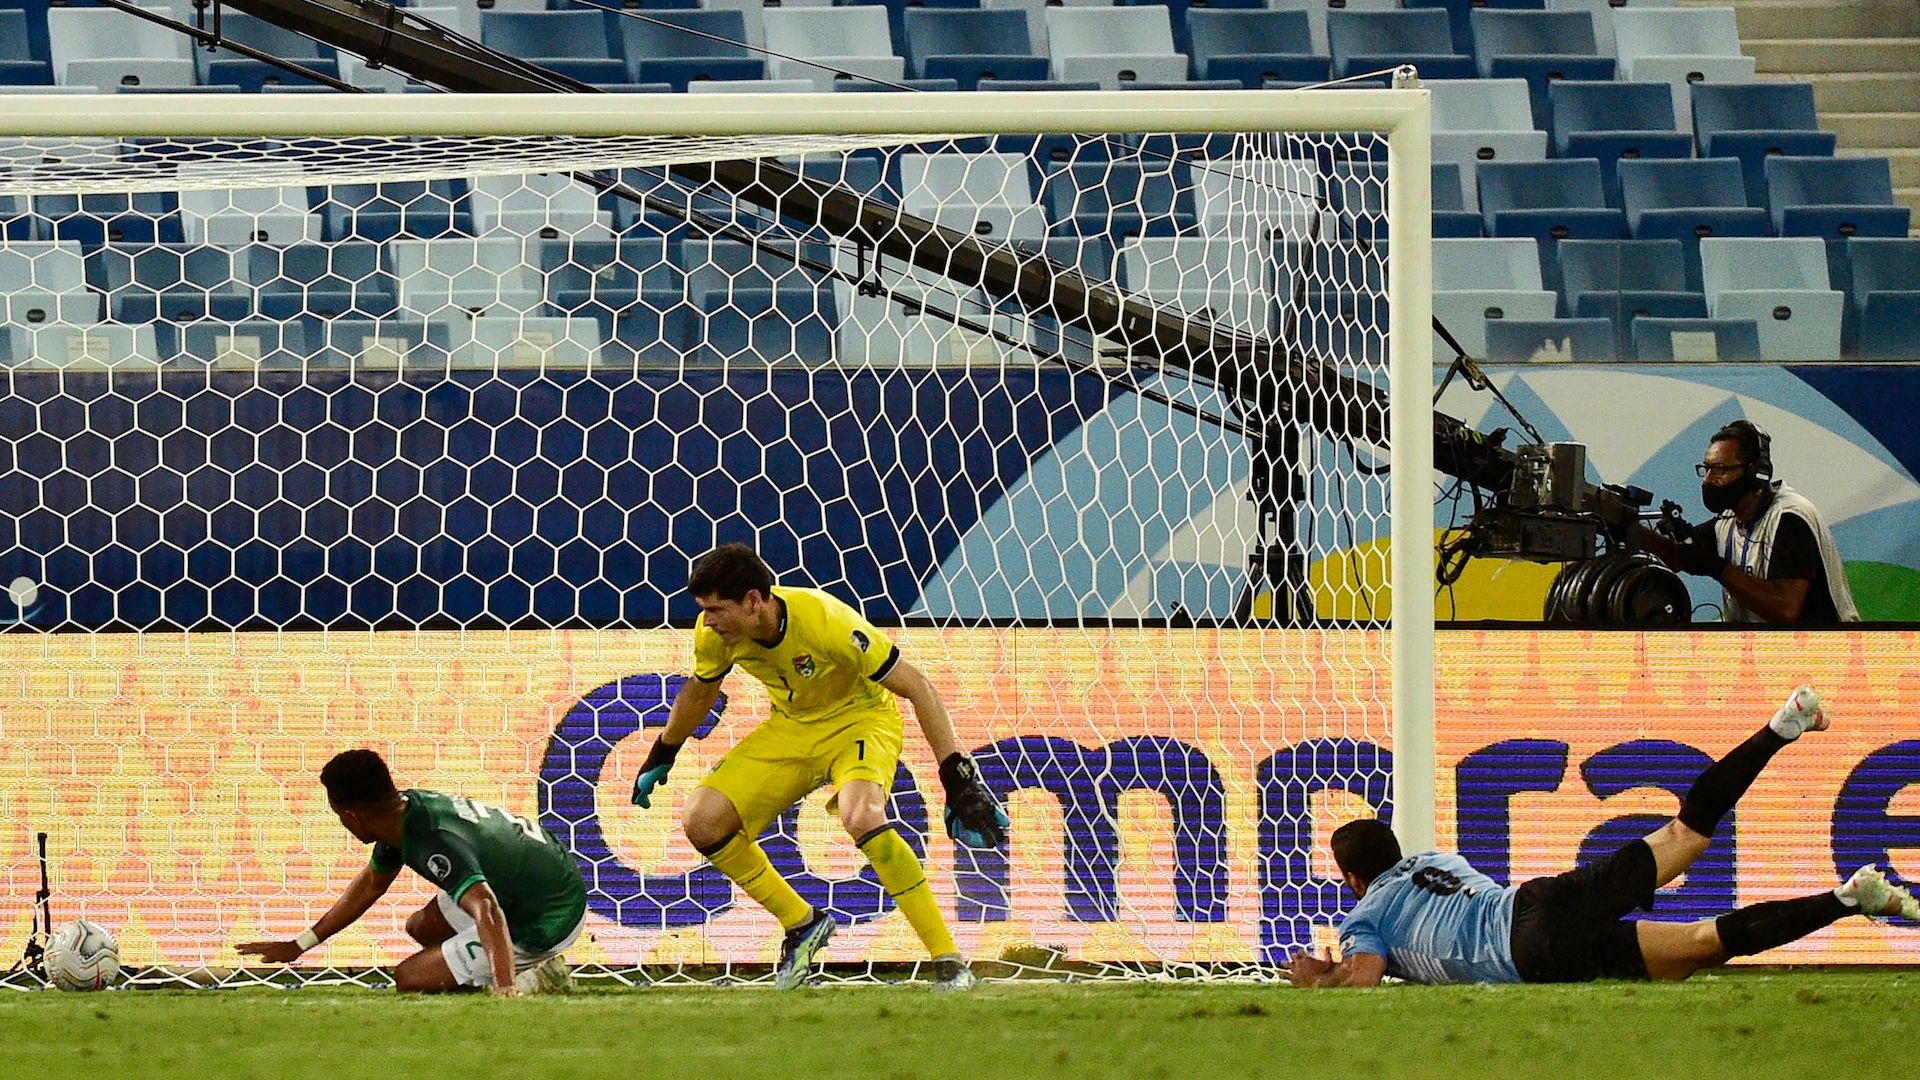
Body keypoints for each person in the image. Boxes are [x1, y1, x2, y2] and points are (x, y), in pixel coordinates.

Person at [1284, 687, 1919, 988]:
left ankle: (1844, 901)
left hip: (1532, 951)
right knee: (1688, 836)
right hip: (1539, 901)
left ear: (1352, 880)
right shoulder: (1435, 860)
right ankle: (1785, 730)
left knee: (1704, 943)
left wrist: (1317, 975)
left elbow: (1362, 978)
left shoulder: (1367, 913)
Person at [629, 544, 1007, 991]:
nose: (708, 621)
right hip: (792, 727)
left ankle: (947, 957)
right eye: (704, 610)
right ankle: (803, 924)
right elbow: (700, 690)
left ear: (754, 600)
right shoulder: (715, 635)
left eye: (716, 609)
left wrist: (955, 775)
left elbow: (917, 686)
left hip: (860, 721)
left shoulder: (827, 621)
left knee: (861, 815)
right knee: (701, 820)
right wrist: (664, 750)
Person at [237, 749, 587, 996]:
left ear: (353, 816)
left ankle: (529, 977)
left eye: (339, 816)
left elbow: (487, 908)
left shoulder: (431, 840)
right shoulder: (403, 815)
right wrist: (300, 945)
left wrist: (504, 987)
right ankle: (502, 968)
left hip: (545, 917)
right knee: (421, 927)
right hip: (536, 883)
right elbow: (371, 885)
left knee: (410, 977)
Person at [1637, 419, 1858, 624]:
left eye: (1720, 469)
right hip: (1763, 654)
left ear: (1757, 472)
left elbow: (1785, 610)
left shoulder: (1790, 518)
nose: (1708, 479)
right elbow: (1679, 556)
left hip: (1825, 654)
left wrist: (1718, 567)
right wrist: (1626, 526)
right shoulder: (1729, 520)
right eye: (1707, 468)